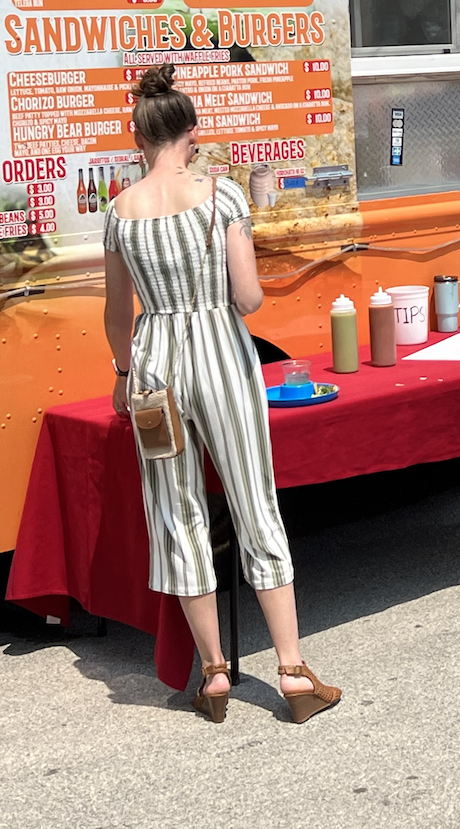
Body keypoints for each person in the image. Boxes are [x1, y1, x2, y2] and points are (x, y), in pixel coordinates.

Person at [103, 65, 341, 726]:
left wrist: (123, 376)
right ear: (192, 133)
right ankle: (292, 674)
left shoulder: (119, 213)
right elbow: (247, 297)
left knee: (176, 513)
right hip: (220, 356)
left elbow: (116, 313)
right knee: (252, 500)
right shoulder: (223, 196)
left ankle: (212, 676)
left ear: (139, 136)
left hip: (152, 366)